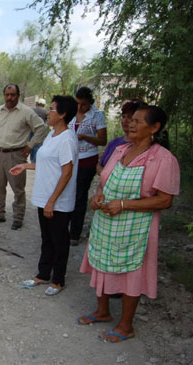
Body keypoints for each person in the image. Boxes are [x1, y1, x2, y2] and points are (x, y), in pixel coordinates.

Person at [77, 105, 180, 343]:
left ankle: (125, 326)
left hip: (136, 228)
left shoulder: (163, 159)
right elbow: (105, 180)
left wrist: (123, 205)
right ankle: (102, 312)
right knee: (101, 262)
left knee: (132, 273)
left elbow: (165, 200)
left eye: (138, 121)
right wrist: (99, 195)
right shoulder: (121, 150)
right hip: (106, 220)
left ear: (154, 128)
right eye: (130, 120)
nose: (130, 124)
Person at [10, 96, 78, 296]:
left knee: (59, 240)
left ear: (63, 114)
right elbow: (49, 164)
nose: (48, 113)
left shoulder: (67, 139)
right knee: (46, 238)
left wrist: (52, 201)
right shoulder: (52, 135)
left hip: (57, 202)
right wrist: (25, 165)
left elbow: (67, 172)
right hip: (45, 198)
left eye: (53, 109)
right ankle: (43, 273)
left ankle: (58, 280)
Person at [0, 83, 48, 230]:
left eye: (13, 95)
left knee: (18, 188)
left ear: (18, 96)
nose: (10, 98)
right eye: (7, 95)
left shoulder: (26, 112)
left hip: (17, 155)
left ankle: (18, 217)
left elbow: (41, 128)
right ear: (4, 95)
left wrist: (30, 146)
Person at [68, 86, 107, 245]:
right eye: (77, 104)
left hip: (87, 158)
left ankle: (75, 233)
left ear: (89, 103)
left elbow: (102, 140)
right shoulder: (70, 113)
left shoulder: (97, 116)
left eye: (83, 104)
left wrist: (85, 136)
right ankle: (65, 226)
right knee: (68, 191)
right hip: (71, 157)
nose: (80, 107)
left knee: (80, 195)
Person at [97, 99, 144, 174]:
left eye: (130, 118)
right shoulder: (114, 143)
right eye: (123, 116)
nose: (125, 120)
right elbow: (99, 165)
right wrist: (105, 176)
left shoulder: (142, 147)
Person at [30, 98, 48, 163]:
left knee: (32, 145)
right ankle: (36, 160)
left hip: (32, 130)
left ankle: (32, 159)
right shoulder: (45, 111)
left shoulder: (32, 110)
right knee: (38, 146)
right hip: (40, 131)